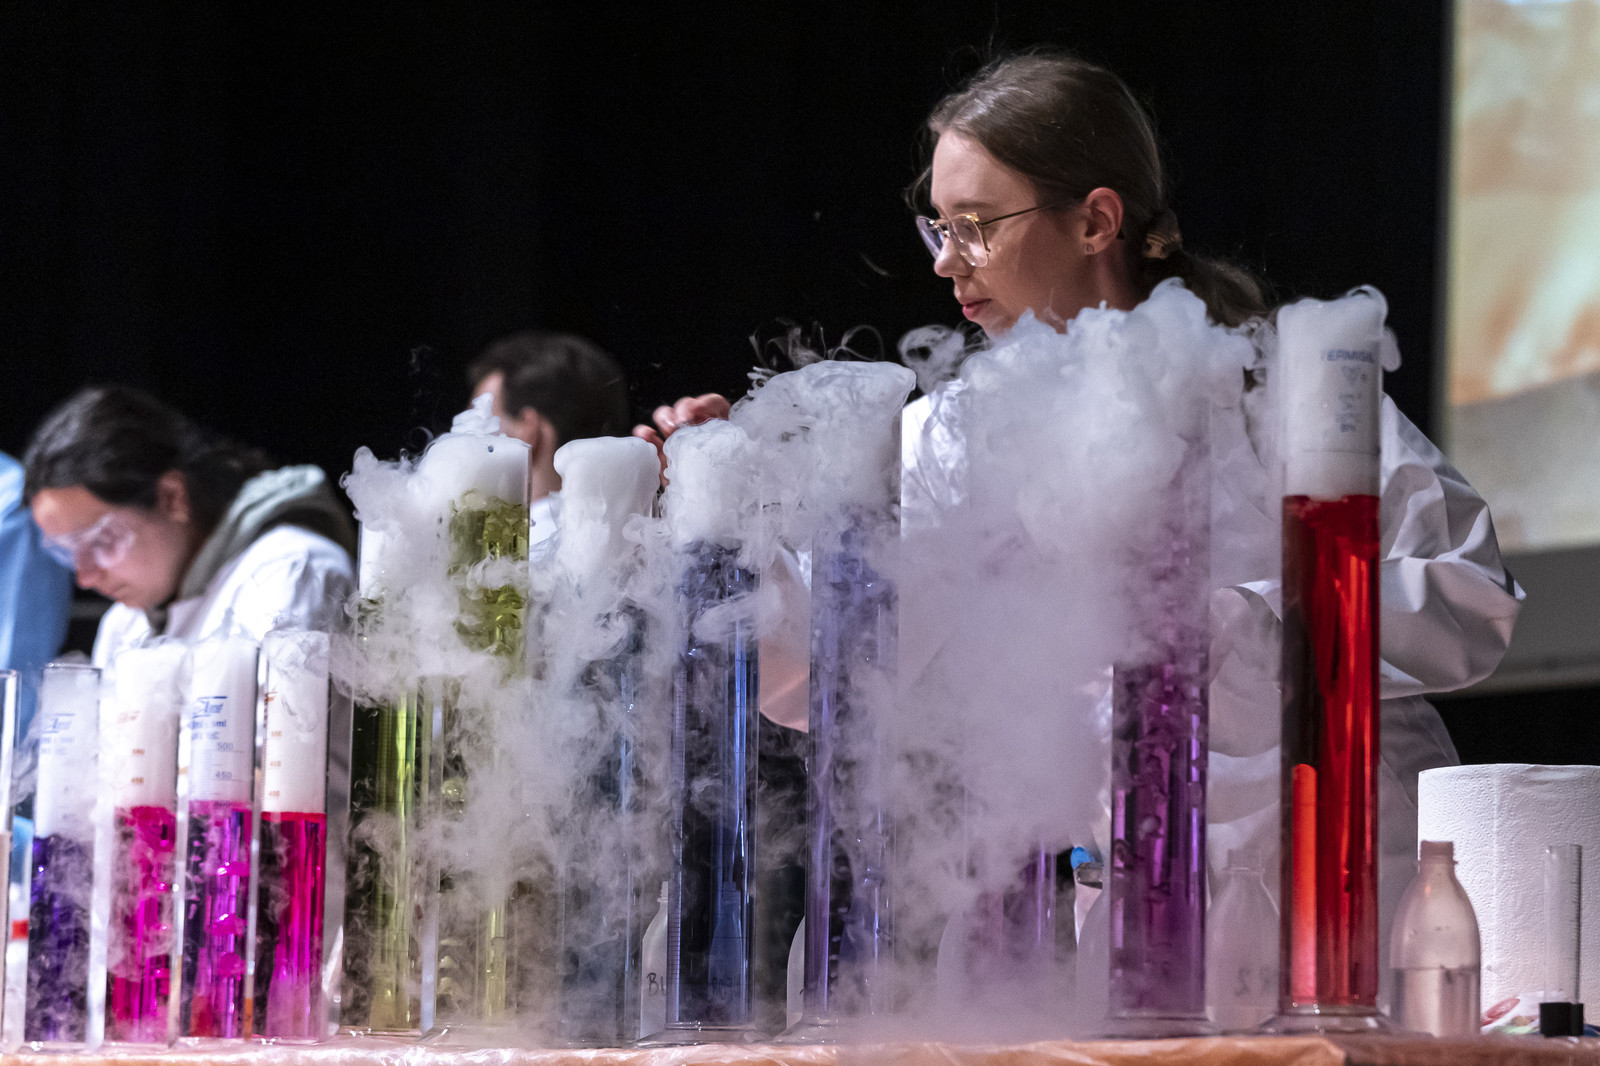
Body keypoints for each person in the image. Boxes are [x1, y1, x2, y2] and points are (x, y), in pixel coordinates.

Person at [643, 51, 1524, 1005]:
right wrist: (723, 523)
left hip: (1348, 896)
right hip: (1139, 918)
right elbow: (845, 667)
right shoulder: (956, 434)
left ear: (1096, 220)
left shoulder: (1274, 386)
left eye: (975, 225)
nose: (944, 261)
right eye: (938, 225)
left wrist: (1244, 624)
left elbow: (1471, 600)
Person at [23, 386, 357, 668]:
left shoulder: (290, 573)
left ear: (172, 497)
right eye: (67, 552)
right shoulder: (124, 625)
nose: (85, 577)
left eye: (100, 541)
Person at [467, 330, 633, 550]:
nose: (463, 447)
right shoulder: (629, 544)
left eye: (476, 424)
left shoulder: (505, 557)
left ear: (527, 433)